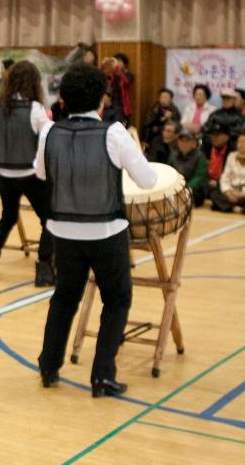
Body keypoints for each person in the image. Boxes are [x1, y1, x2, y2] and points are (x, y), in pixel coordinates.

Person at [36, 62, 158, 398]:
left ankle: (48, 366)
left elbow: (43, 174)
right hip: (106, 231)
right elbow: (147, 180)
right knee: (117, 300)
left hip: (63, 231)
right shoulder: (114, 132)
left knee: (64, 298)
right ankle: (102, 376)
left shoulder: (49, 131)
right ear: (102, 100)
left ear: (63, 99)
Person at [0, 60, 54, 286]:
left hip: (4, 172)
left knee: (8, 217)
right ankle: (44, 268)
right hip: (30, 173)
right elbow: (46, 139)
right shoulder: (35, 109)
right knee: (50, 219)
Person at [209, 130, 245, 214]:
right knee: (214, 193)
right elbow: (225, 177)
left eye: (244, 143)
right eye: (239, 142)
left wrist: (242, 194)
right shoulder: (231, 156)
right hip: (232, 192)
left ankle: (227, 207)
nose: (240, 145)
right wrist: (228, 191)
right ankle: (238, 209)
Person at [169, 129, 208, 206]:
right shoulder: (173, 156)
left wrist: (187, 187)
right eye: (181, 140)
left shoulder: (200, 156)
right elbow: (169, 173)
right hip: (176, 188)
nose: (184, 143)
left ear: (193, 143)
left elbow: (199, 176)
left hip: (193, 190)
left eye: (187, 140)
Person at [101, 57, 132, 126]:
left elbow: (126, 82)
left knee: (118, 127)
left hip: (120, 108)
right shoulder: (106, 77)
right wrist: (103, 65)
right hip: (106, 108)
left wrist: (117, 67)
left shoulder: (127, 75)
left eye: (119, 61)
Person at [204, 127, 233, 195]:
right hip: (207, 182)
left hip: (223, 184)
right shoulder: (206, 148)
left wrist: (218, 182)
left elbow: (230, 175)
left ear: (227, 137)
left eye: (217, 135)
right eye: (212, 135)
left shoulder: (232, 152)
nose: (214, 137)